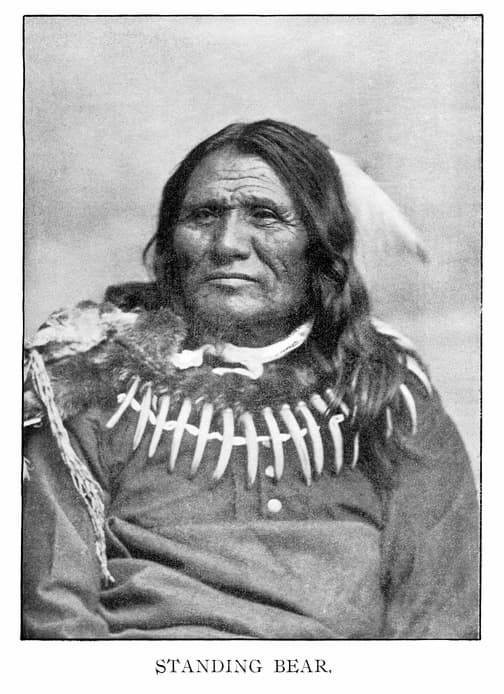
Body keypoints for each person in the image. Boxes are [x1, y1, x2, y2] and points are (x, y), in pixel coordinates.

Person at [22, 119, 479, 639]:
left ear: (320, 242)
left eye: (264, 215)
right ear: (172, 242)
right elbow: (54, 607)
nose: (227, 244)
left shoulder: (385, 391)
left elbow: (442, 611)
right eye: (203, 215)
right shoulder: (92, 382)